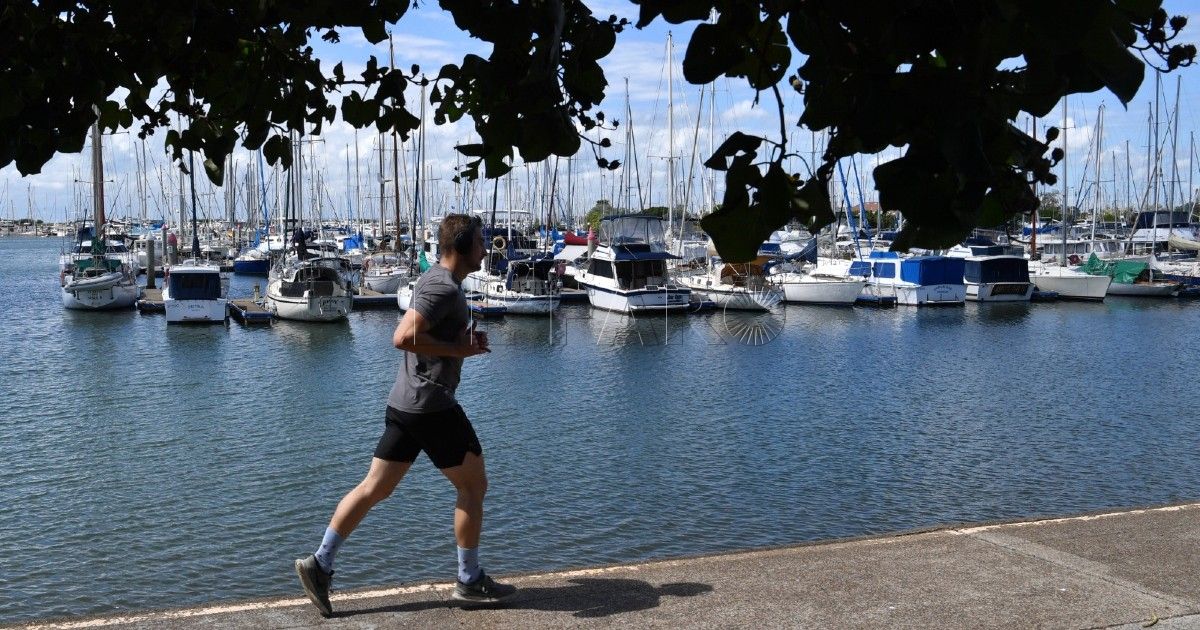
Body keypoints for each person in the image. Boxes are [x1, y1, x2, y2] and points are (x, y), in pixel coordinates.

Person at [294, 214, 515, 616]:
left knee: (374, 488)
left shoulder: (437, 282)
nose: (486, 249)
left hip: (405, 404)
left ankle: (319, 563)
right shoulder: (444, 288)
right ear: (463, 247)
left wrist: (460, 340)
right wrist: (460, 351)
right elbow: (404, 337)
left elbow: (425, 336)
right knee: (474, 486)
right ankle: (469, 580)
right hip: (432, 406)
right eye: (482, 242)